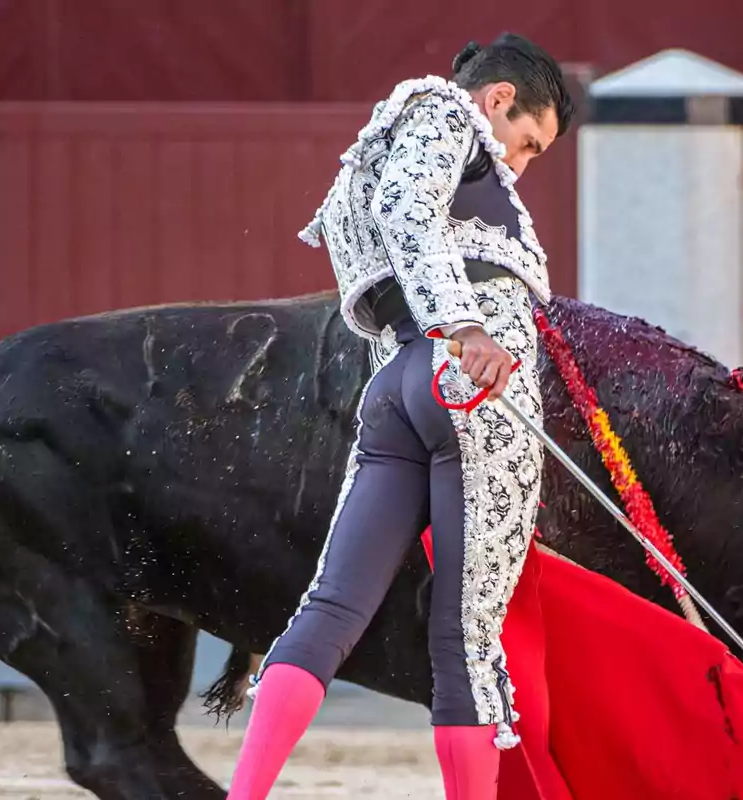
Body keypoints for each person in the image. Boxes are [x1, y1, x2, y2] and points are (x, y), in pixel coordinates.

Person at [225, 33, 574, 800]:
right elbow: (409, 207)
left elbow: (390, 244)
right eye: (526, 144)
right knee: (468, 638)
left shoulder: (371, 156)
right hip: (473, 381)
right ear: (499, 100)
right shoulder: (444, 112)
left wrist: (439, 333)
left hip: (397, 381)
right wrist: (465, 325)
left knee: (330, 608)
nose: (518, 163)